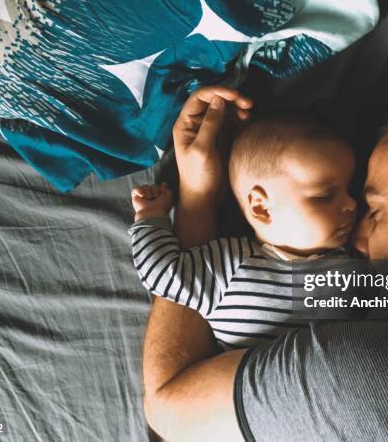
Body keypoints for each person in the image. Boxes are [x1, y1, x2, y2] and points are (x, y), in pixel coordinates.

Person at [141, 82, 388, 441]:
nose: (356, 237)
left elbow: (169, 410)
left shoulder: (380, 375)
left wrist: (198, 200)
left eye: (376, 210)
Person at [130, 97, 357, 349]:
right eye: (324, 196)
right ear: (261, 207)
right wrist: (150, 216)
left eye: (350, 189)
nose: (352, 204)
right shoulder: (231, 266)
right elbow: (163, 274)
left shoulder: (353, 261)